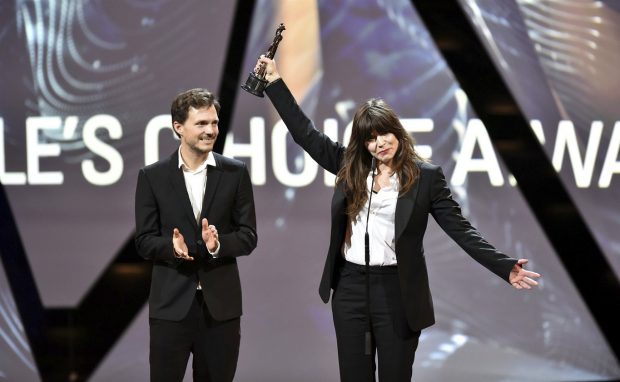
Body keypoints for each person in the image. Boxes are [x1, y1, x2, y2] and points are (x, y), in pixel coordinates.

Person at [257, 56, 541, 381]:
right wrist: (275, 82)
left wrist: (504, 266)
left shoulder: (426, 177)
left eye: (384, 134)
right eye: (370, 139)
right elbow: (305, 134)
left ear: (397, 131)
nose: (379, 144)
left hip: (398, 290)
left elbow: (462, 232)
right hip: (350, 287)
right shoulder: (350, 166)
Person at [134, 88, 257, 382]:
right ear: (179, 127)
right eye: (201, 124)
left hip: (221, 310)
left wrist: (218, 245)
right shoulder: (152, 176)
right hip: (171, 307)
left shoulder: (235, 173)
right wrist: (172, 248)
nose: (211, 130)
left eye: (214, 123)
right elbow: (144, 240)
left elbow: (248, 235)